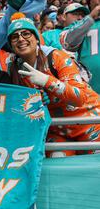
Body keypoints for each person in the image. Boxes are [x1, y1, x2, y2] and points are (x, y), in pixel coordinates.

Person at [6, 14, 100, 158]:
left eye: (26, 33)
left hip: (90, 124)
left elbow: (79, 98)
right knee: (59, 167)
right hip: (58, 130)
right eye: (15, 36)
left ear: (37, 38)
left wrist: (46, 81)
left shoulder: (56, 57)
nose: (21, 39)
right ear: (11, 45)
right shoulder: (13, 68)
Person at [60, 0, 100, 93]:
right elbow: (67, 43)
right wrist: (91, 17)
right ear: (89, 1)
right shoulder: (79, 25)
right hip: (92, 94)